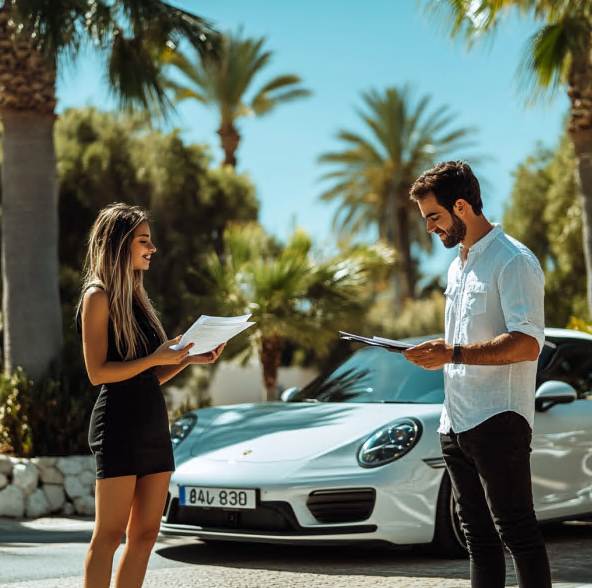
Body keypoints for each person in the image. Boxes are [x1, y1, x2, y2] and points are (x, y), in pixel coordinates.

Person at [405, 161, 551, 588]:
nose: (430, 228)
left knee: (518, 534)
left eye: (434, 216)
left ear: (462, 206)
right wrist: (437, 351)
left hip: (499, 419)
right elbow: (467, 336)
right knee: (478, 541)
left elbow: (527, 343)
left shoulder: (514, 261)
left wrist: (450, 353)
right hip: (455, 421)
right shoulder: (457, 266)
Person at [76, 203, 225, 588]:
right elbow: (98, 374)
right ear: (121, 243)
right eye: (144, 240)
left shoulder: (138, 299)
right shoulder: (98, 296)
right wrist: (154, 357)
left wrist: (188, 359)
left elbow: (148, 376)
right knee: (108, 536)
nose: (152, 248)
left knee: (144, 535)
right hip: (118, 425)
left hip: (152, 423)